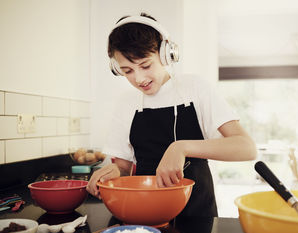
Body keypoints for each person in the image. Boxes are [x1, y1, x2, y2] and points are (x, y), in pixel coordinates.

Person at [86, 13, 256, 217]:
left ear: (166, 54)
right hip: (143, 213)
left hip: (197, 214)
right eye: (127, 70)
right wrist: (113, 172)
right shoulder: (126, 103)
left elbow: (247, 148)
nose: (139, 79)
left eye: (145, 65)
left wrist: (181, 147)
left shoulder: (195, 88)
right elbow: (123, 167)